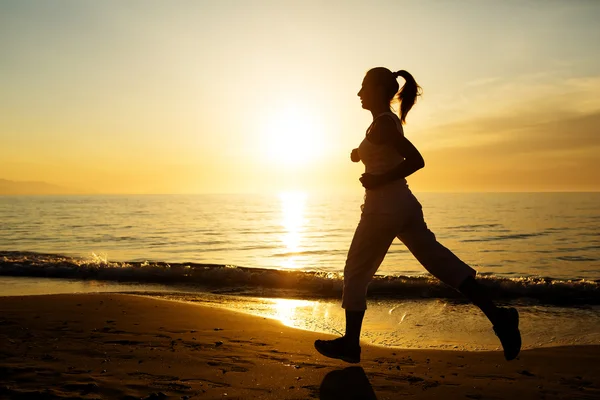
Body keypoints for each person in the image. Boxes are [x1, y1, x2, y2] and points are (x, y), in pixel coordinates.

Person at [314, 67, 521, 363]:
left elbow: (416, 160)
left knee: (355, 273)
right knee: (442, 265)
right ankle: (500, 317)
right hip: (403, 207)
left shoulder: (384, 124)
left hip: (383, 209)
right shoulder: (381, 125)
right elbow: (384, 152)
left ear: (376, 91)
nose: (359, 94)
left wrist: (378, 180)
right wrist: (360, 154)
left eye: (363, 87)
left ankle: (350, 344)